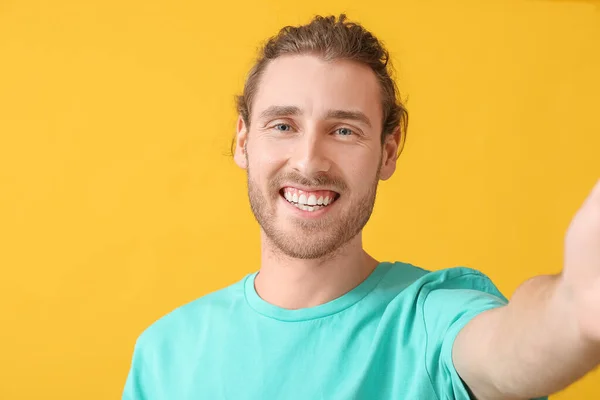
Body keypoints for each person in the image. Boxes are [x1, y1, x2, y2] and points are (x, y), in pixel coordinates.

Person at [122, 14, 600, 400]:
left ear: (388, 152)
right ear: (243, 141)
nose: (309, 161)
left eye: (344, 130)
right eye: (283, 125)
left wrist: (574, 310)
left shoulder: (429, 320)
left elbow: (507, 348)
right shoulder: (166, 351)